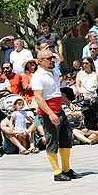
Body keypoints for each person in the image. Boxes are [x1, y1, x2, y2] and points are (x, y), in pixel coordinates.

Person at [31, 49, 81, 181]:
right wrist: (50, 114)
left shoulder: (54, 72)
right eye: (49, 58)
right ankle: (57, 172)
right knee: (52, 141)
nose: (52, 60)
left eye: (52, 57)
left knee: (66, 139)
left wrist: (67, 102)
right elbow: (39, 98)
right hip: (49, 113)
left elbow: (56, 92)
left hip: (59, 110)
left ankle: (66, 169)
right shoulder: (37, 76)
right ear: (40, 62)